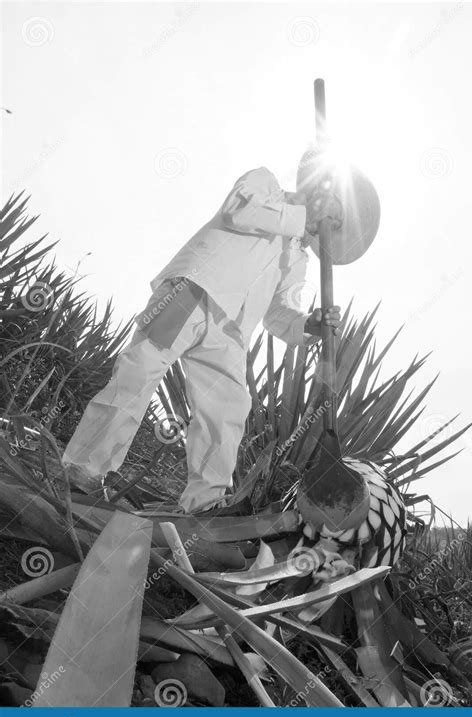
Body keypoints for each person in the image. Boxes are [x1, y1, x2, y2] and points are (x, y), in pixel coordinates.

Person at [63, 166, 341, 513]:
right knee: (139, 373)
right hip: (191, 292)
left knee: (228, 410)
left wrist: (307, 325)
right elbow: (238, 212)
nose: (323, 222)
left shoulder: (297, 256)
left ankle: (204, 506)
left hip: (230, 334)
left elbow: (277, 313)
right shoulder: (266, 185)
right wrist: (304, 216)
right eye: (330, 210)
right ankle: (82, 472)